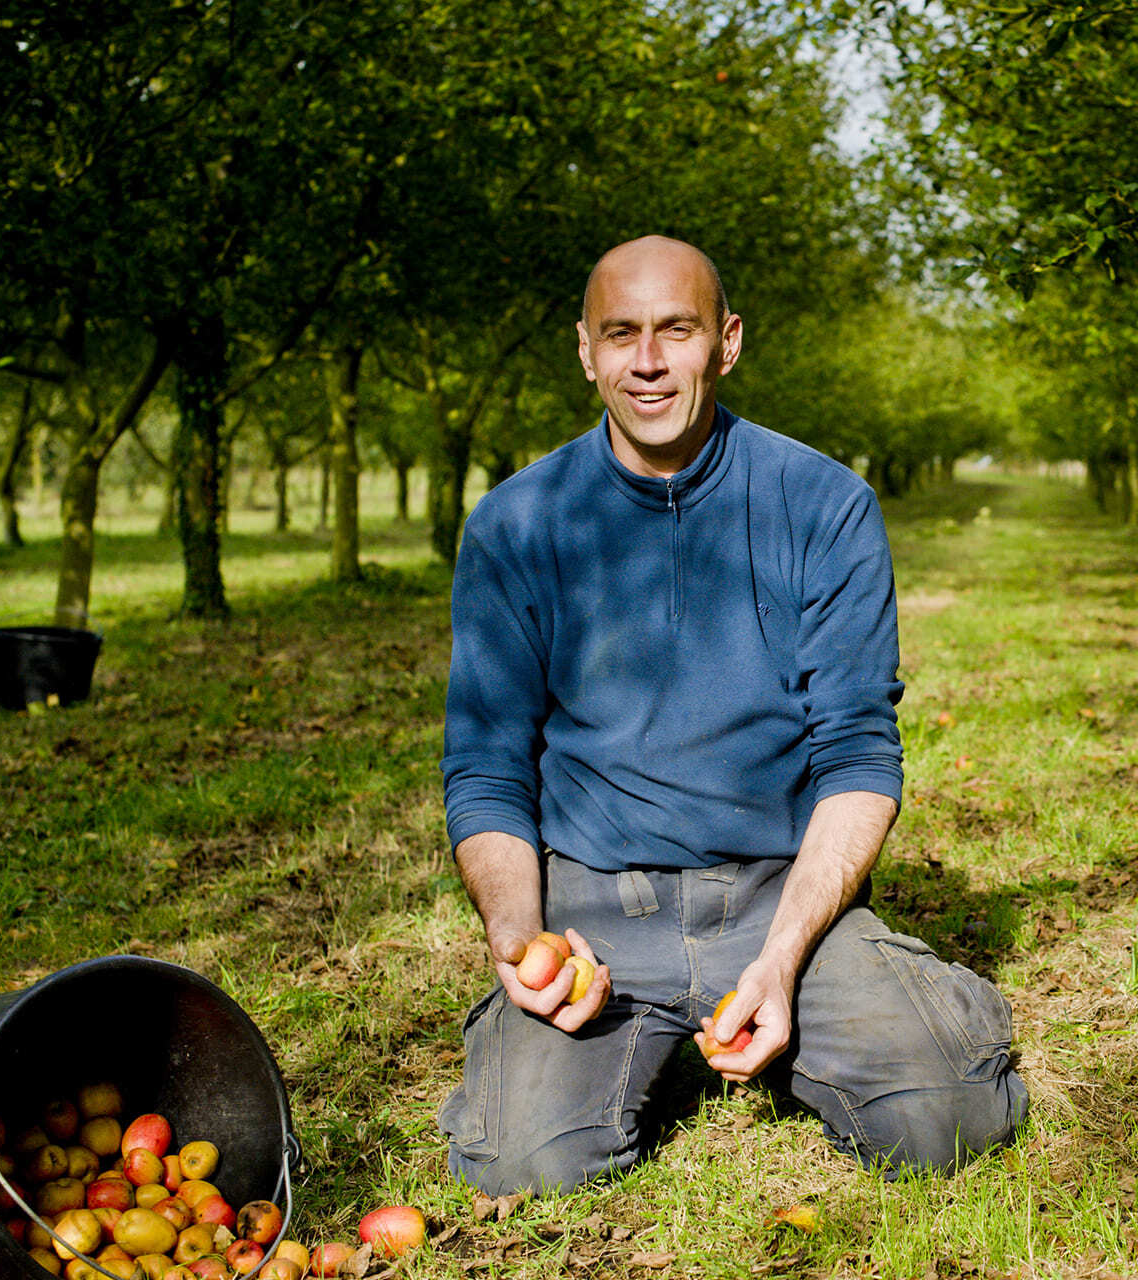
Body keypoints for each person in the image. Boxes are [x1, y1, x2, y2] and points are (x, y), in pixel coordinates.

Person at [436, 235, 1028, 1195]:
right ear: (585, 350)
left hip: (775, 897)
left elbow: (857, 758)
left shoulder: (824, 504)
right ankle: (627, 1043)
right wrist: (519, 936)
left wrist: (785, 960)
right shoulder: (516, 523)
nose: (648, 361)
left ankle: (868, 998)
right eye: (620, 334)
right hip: (596, 913)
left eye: (677, 330)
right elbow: (486, 768)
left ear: (728, 342)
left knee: (946, 1121)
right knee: (520, 1168)